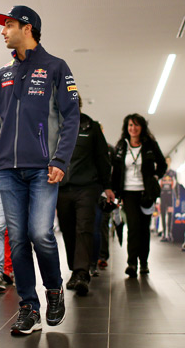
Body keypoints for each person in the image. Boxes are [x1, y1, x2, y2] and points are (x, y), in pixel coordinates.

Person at [0, 5, 80, 335]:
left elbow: (71, 117)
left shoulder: (56, 68)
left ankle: (53, 289)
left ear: (28, 27)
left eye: (8, 25)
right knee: (17, 240)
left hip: (42, 169)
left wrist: (60, 160)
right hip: (6, 170)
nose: (3, 31)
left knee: (40, 234)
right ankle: (28, 307)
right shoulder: (2, 76)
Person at [56, 94, 114, 296]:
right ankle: (75, 270)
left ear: (78, 104)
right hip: (61, 188)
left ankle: (82, 272)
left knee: (84, 228)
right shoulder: (54, 127)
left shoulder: (92, 127)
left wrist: (107, 186)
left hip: (87, 187)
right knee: (68, 229)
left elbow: (102, 158)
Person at [111, 113, 167, 278]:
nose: (133, 128)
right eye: (130, 125)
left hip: (146, 193)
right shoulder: (121, 146)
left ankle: (144, 262)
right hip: (128, 193)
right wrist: (114, 192)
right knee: (133, 227)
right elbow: (116, 171)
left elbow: (162, 164)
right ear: (126, 128)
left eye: (136, 125)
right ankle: (131, 263)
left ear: (142, 127)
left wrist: (155, 177)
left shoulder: (150, 145)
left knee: (144, 229)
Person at [159, 156, 179, 242]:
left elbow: (176, 186)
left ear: (170, 162)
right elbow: (158, 185)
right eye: (166, 161)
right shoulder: (161, 172)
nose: (167, 163)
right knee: (163, 215)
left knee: (170, 215)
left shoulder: (173, 173)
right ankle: (164, 234)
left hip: (170, 197)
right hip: (163, 197)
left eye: (168, 161)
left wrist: (177, 198)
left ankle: (170, 234)